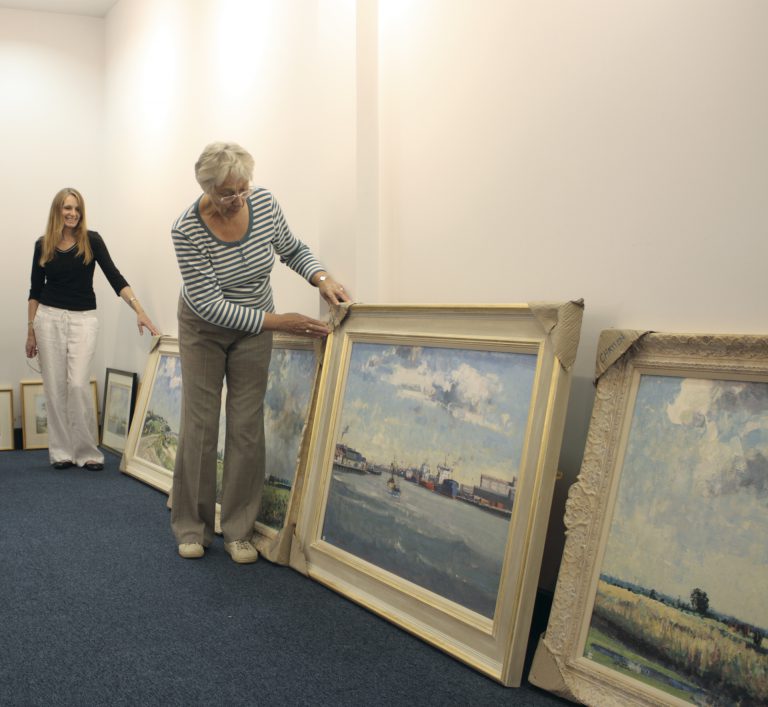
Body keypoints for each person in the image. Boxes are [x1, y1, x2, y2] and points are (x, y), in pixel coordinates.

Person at [170, 141, 350, 564]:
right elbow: (210, 304)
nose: (236, 199)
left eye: (242, 189)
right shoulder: (186, 229)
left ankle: (238, 529)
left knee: (247, 423)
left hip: (254, 327)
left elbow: (291, 247)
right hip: (204, 327)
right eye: (226, 193)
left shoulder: (264, 204)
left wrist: (320, 277)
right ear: (207, 189)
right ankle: (192, 526)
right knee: (201, 423)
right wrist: (280, 321)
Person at [26, 187, 159, 471]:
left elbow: (115, 278)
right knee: (54, 387)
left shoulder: (92, 241)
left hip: (83, 319)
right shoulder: (43, 245)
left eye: (76, 208)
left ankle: (87, 452)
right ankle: (61, 452)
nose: (72, 213)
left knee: (76, 385)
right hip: (48, 319)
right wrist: (30, 331)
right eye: (67, 208)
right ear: (57, 211)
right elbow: (35, 291)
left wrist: (140, 311)